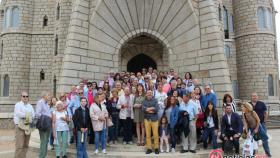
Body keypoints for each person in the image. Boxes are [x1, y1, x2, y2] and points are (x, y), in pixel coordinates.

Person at [13, 91, 35, 158]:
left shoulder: (30, 106)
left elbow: (33, 115)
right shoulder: (18, 105)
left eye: (26, 96)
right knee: (19, 146)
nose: (25, 97)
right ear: (21, 97)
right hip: (19, 127)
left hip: (28, 127)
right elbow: (19, 114)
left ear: (28, 97)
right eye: (24, 96)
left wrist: (25, 114)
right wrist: (28, 114)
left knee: (26, 145)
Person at [36, 91, 52, 158]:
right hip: (43, 124)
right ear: (44, 96)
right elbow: (37, 114)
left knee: (46, 141)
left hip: (48, 124)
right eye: (48, 95)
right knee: (43, 141)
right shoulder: (40, 102)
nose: (49, 96)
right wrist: (47, 117)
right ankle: (41, 156)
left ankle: (43, 156)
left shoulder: (47, 104)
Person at [143, 90, 160, 154]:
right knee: (148, 135)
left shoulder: (155, 100)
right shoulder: (144, 101)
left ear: (152, 94)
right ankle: (149, 148)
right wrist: (151, 108)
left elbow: (156, 109)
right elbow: (143, 109)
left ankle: (156, 148)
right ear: (146, 94)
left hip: (154, 119)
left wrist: (148, 109)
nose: (149, 94)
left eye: (150, 93)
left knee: (155, 135)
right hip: (147, 119)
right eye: (148, 93)